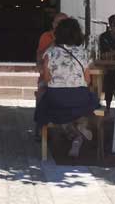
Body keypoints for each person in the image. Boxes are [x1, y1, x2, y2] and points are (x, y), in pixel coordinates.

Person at [35, 17, 101, 157]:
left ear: (58, 33)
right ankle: (79, 130)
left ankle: (74, 134)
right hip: (79, 98)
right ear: (77, 33)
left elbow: (47, 79)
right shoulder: (83, 53)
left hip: (57, 98)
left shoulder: (50, 53)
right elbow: (88, 80)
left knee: (46, 105)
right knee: (92, 101)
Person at [97, 14, 115, 108]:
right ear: (110, 25)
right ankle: (108, 107)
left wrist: (112, 53)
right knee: (109, 77)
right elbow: (104, 55)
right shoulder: (104, 37)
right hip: (109, 67)